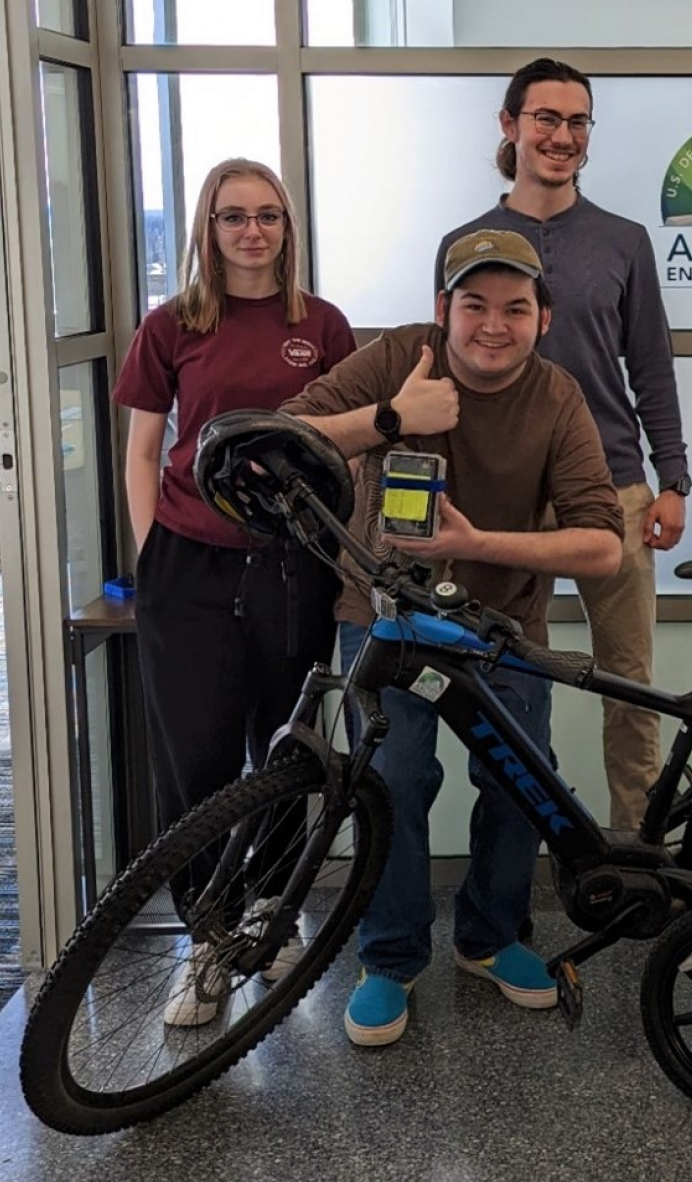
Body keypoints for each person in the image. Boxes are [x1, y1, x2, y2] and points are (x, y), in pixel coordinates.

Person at [280, 229, 623, 1046]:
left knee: (519, 782)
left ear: (542, 317)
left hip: (500, 627)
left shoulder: (557, 396)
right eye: (474, 305)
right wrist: (392, 416)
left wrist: (474, 545)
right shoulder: (399, 356)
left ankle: (490, 936)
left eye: (515, 308)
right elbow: (287, 433)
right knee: (392, 780)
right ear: (443, 311)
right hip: (383, 616)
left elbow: (604, 545)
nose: (493, 326)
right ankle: (390, 957)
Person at [113, 157, 356, 1026]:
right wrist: (153, 556)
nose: (252, 231)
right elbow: (145, 450)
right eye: (232, 217)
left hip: (293, 565)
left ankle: (271, 907)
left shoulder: (321, 324)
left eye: (268, 216)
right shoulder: (172, 324)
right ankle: (204, 940)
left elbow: (346, 445)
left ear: (289, 228)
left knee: (287, 750)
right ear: (207, 231)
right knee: (199, 762)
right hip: (190, 567)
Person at [433, 58, 689, 834]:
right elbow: (440, 368)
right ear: (509, 127)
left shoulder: (624, 241)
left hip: (611, 490)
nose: (562, 136)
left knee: (631, 689)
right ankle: (510, 878)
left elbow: (650, 364)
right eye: (546, 118)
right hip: (499, 501)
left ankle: (637, 856)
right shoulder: (466, 244)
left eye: (578, 122)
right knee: (502, 688)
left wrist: (671, 478)